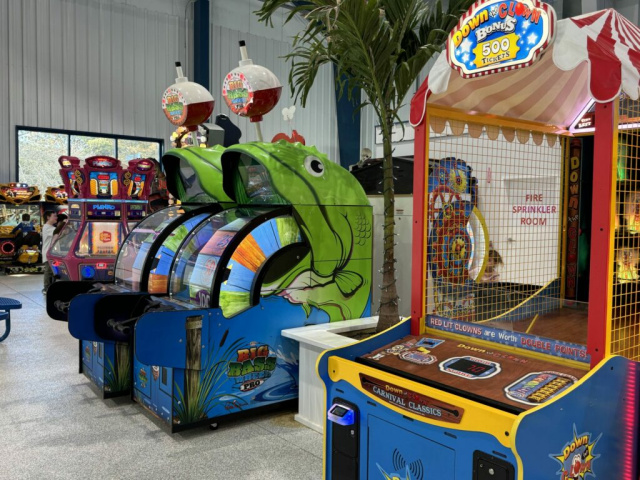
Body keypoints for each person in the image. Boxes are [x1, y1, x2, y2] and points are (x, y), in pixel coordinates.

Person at [41, 211, 58, 295]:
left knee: (53, 271)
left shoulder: (52, 227)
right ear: (48, 217)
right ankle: (46, 288)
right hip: (48, 253)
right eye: (54, 216)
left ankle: (51, 287)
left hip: (53, 253)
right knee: (48, 271)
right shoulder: (47, 227)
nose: (56, 218)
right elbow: (59, 232)